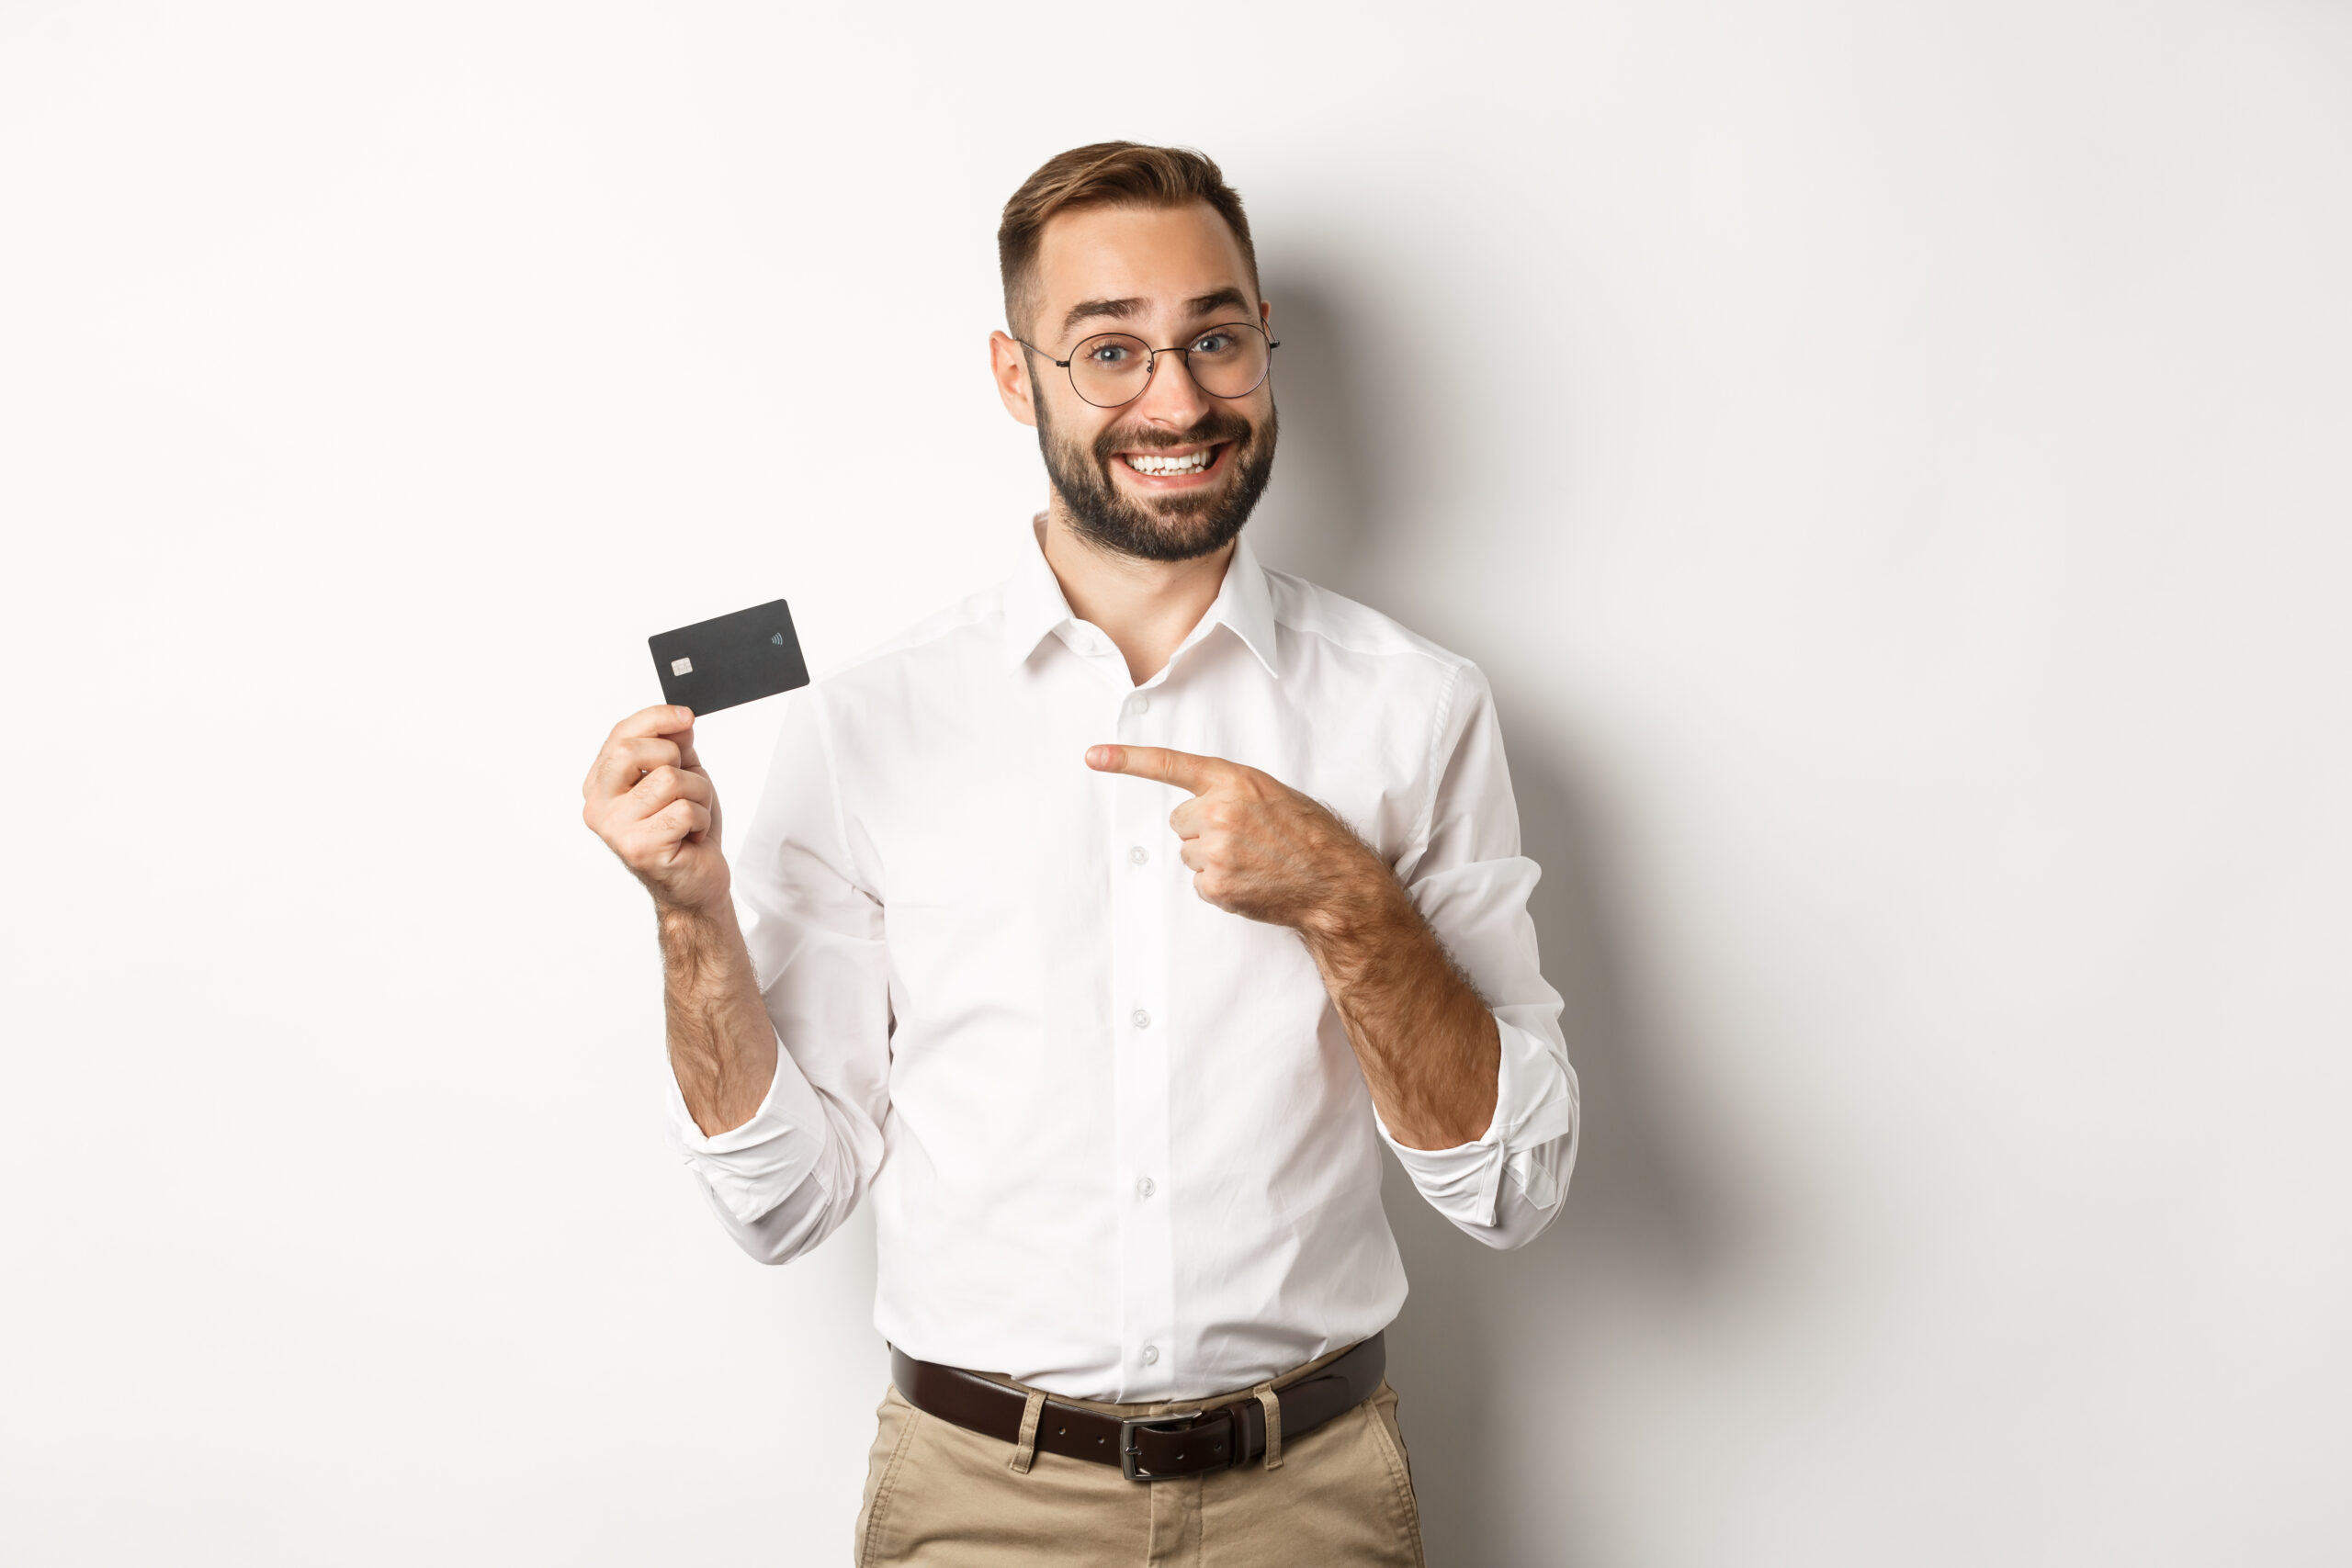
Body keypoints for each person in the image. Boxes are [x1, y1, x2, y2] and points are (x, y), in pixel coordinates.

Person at [581, 142, 1579, 1567]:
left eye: (1216, 341)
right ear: (1015, 376)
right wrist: (691, 924)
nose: (1176, 402)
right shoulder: (869, 722)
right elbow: (785, 1201)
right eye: (1110, 351)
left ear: (1265, 348)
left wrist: (1347, 902)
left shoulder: (1417, 706)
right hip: (979, 1504)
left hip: (1310, 1500)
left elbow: (1514, 1190)